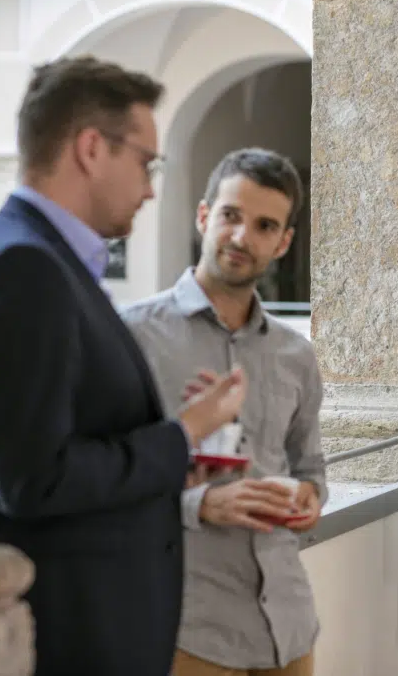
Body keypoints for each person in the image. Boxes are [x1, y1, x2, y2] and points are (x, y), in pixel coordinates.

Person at [0, 56, 246, 676]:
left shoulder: (40, 257)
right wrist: (183, 433)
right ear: (91, 148)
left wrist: (172, 456)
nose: (150, 187)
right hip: (73, 632)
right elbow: (35, 478)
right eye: (146, 162)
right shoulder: (21, 267)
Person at [121, 148, 325, 676]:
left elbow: (309, 468)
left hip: (288, 627)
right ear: (204, 215)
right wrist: (199, 504)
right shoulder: (133, 337)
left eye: (263, 226)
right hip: (188, 631)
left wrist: (308, 498)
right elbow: (107, 476)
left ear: (282, 242)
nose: (241, 237)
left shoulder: (294, 354)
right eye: (231, 216)